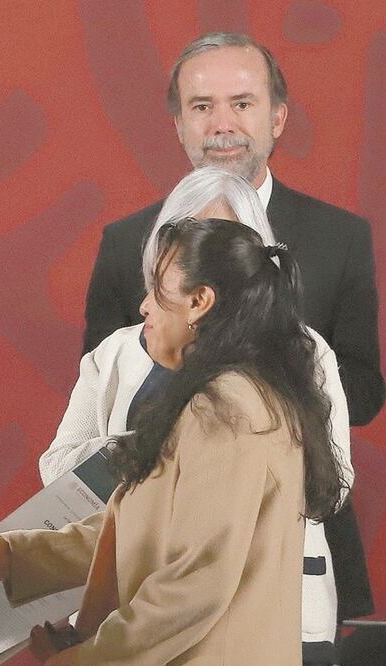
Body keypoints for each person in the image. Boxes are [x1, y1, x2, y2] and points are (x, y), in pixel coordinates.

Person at [82, 32, 378, 622]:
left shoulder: (339, 237)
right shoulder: (124, 244)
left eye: (242, 104)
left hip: (297, 555)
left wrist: (266, 379)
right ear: (178, 125)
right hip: (156, 558)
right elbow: (100, 393)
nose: (222, 124)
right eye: (201, 106)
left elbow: (367, 388)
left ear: (278, 118)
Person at [0, 217, 346, 663]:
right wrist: (11, 556)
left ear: (199, 302)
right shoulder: (240, 395)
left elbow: (196, 582)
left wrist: (82, 660)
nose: (144, 307)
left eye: (158, 289)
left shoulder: (225, 409)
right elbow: (142, 529)